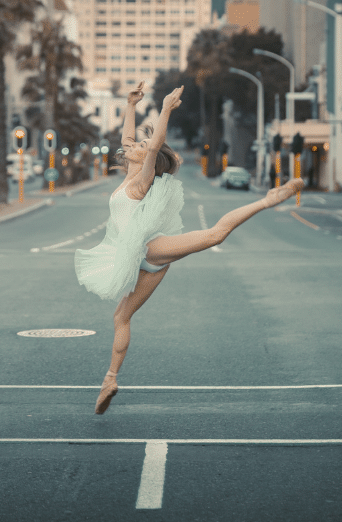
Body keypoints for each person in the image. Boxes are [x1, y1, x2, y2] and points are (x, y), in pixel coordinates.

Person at [74, 81, 303, 414]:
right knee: (120, 317)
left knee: (214, 235)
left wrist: (165, 109)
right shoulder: (129, 172)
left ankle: (268, 200)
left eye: (141, 144)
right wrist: (129, 104)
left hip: (151, 251)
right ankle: (110, 379)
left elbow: (153, 148)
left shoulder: (141, 180)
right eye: (136, 144)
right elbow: (128, 140)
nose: (134, 145)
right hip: (139, 260)